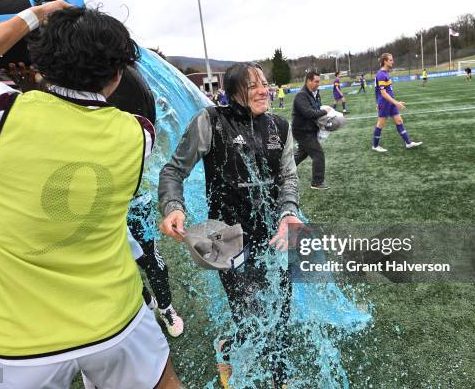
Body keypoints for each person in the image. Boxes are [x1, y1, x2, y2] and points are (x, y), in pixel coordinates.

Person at [0, 2, 180, 388]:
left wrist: (37, 15)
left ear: (40, 63)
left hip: (17, 342)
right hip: (116, 318)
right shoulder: (139, 135)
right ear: (118, 74)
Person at [159, 62, 302, 389]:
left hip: (274, 237)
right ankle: (231, 349)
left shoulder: (279, 126)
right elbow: (172, 171)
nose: (263, 90)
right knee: (250, 317)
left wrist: (288, 213)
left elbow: (289, 179)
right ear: (234, 91)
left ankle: (278, 377)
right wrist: (173, 206)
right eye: (253, 86)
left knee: (279, 312)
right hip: (227, 241)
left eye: (264, 83)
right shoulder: (211, 121)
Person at [108, 65, 185, 338]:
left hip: (137, 201)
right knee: (123, 261)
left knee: (150, 256)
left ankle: (166, 308)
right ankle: (147, 302)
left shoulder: (135, 120)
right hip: (107, 206)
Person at [372, 53, 423, 153]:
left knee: (399, 121)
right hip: (385, 103)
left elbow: (377, 90)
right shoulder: (381, 74)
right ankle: (375, 146)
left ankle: (408, 143)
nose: (392, 62)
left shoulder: (386, 72)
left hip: (390, 102)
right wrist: (395, 103)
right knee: (380, 124)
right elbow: (383, 93)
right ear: (385, 61)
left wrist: (394, 102)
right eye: (390, 60)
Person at [292, 71, 330, 190]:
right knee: (318, 155)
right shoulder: (301, 95)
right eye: (316, 81)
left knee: (302, 154)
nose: (318, 83)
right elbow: (308, 113)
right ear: (309, 81)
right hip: (302, 131)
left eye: (319, 81)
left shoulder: (313, 93)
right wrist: (325, 111)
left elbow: (316, 109)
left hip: (308, 129)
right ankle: (317, 183)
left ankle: (282, 170)